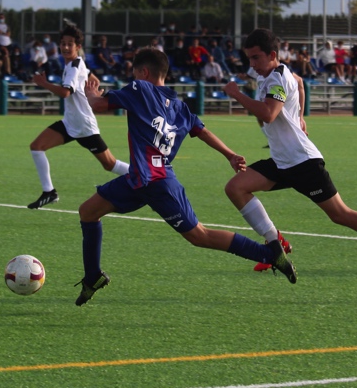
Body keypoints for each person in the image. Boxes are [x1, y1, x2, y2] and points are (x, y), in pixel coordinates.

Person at [73, 47, 296, 306]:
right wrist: (230, 154)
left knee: (200, 236)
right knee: (88, 211)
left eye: (134, 72)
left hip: (157, 183)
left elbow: (99, 105)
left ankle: (269, 254)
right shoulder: (179, 107)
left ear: (143, 72)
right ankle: (93, 277)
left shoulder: (139, 89)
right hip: (139, 179)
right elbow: (202, 131)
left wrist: (90, 94)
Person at [221, 28, 357, 286]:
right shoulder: (273, 74)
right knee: (236, 188)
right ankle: (275, 244)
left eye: (256, 58)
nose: (252, 64)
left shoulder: (276, 79)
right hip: (282, 161)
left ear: (272, 55)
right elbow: (301, 83)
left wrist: (238, 95)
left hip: (303, 163)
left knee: (341, 214)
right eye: (249, 58)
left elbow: (269, 114)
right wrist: (301, 117)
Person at [25, 20, 129, 210]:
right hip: (70, 123)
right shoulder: (75, 63)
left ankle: (147, 179)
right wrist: (94, 91)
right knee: (36, 147)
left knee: (110, 164)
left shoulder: (73, 66)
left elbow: (66, 92)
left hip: (83, 126)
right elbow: (93, 78)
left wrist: (43, 83)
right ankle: (49, 192)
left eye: (69, 44)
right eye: (63, 43)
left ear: (77, 46)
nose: (65, 47)